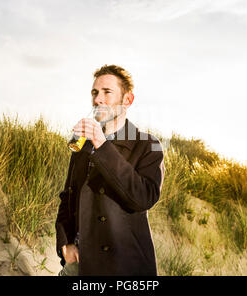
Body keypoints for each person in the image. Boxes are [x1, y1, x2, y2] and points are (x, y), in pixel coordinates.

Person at [55, 64, 165, 276]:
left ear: (127, 100)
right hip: (82, 264)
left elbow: (142, 197)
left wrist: (102, 145)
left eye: (107, 92)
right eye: (95, 93)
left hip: (125, 266)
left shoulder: (147, 145)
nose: (98, 99)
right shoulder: (83, 146)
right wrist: (65, 243)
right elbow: (67, 198)